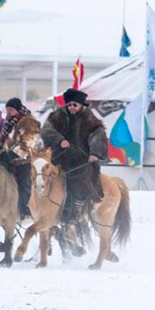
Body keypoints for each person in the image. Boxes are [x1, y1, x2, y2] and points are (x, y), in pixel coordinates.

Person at [40, 88, 108, 224]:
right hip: (58, 157)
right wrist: (59, 140)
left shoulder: (90, 119)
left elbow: (98, 134)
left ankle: (75, 210)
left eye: (74, 105)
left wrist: (94, 153)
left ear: (81, 105)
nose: (71, 107)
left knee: (80, 181)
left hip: (81, 159)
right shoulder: (57, 115)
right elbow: (47, 130)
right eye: (69, 105)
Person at [0, 98, 41, 218]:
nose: (9, 112)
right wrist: (0, 153)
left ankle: (26, 208)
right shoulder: (10, 122)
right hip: (11, 157)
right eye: (7, 109)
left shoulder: (29, 122)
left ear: (17, 109)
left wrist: (11, 155)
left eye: (11, 109)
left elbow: (27, 143)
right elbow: (7, 142)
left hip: (26, 159)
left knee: (22, 182)